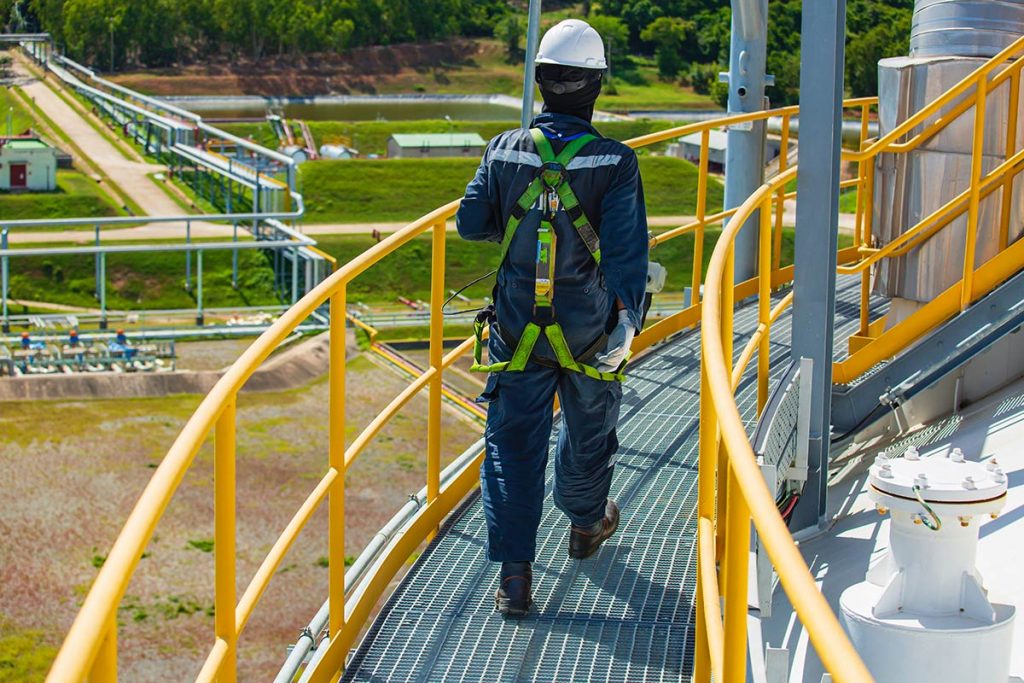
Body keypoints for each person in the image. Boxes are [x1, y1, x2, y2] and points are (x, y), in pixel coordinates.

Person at [456, 19, 648, 617]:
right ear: (596, 85)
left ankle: (515, 579)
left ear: (539, 81)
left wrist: (517, 220)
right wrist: (627, 326)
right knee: (588, 438)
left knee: (511, 446)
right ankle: (587, 523)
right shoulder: (615, 162)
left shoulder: (504, 148)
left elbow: (470, 223)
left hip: (516, 331)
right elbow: (625, 257)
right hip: (589, 331)